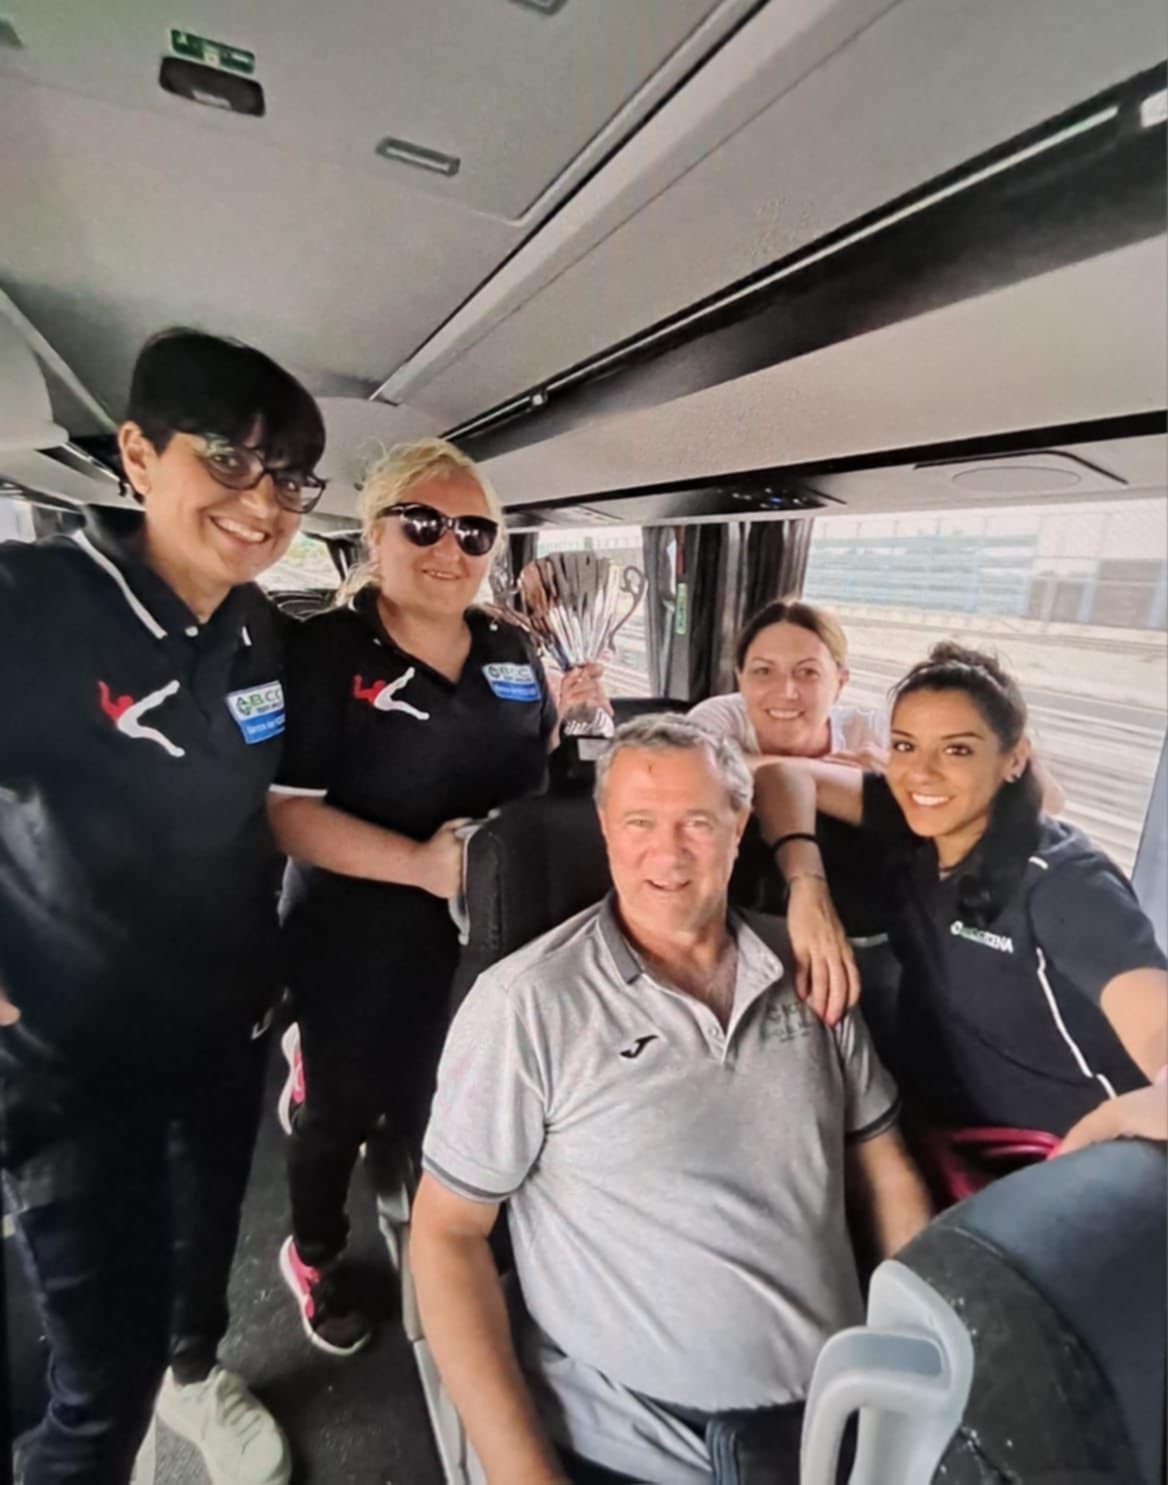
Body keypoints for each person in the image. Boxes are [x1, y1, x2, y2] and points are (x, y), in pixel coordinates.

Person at [411, 714, 932, 1485]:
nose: (667, 852)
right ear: (604, 829)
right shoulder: (528, 1004)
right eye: (639, 822)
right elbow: (447, 1235)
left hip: (845, 1420)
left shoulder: (807, 969)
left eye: (696, 822)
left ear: (739, 826)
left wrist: (913, 1360)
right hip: (638, 1443)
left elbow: (885, 1172)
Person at [0, 327, 327, 1484]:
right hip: (73, 1062)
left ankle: (192, 1375)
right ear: (138, 455)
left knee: (202, 1247)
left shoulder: (254, 626)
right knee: (96, 1380)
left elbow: (269, 809)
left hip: (224, 1024)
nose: (263, 503)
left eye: (288, 478)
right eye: (228, 460)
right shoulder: (33, 607)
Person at [268, 437, 607, 1356]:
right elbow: (285, 814)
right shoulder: (325, 652)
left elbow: (527, 758)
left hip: (489, 935)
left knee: (451, 1101)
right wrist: (420, 863)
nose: (450, 547)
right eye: (422, 523)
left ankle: (459, 1257)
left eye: (474, 531)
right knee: (340, 1110)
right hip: (357, 934)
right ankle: (315, 1250)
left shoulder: (510, 647)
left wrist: (568, 723)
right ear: (373, 533)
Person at [752, 642, 1168, 1149]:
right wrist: (807, 888)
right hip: (947, 1131)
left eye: (957, 750)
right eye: (904, 746)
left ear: (1014, 760)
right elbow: (782, 775)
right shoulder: (911, 822)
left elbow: (1151, 1014)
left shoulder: (1062, 881)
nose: (921, 773)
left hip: (1068, 1153)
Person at [689, 599, 1065, 1035]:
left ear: (840, 682)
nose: (786, 691)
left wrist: (987, 725)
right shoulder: (718, 720)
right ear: (740, 679)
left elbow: (1047, 801)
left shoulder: (874, 732)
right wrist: (840, 775)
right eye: (763, 671)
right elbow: (709, 770)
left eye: (808, 673)